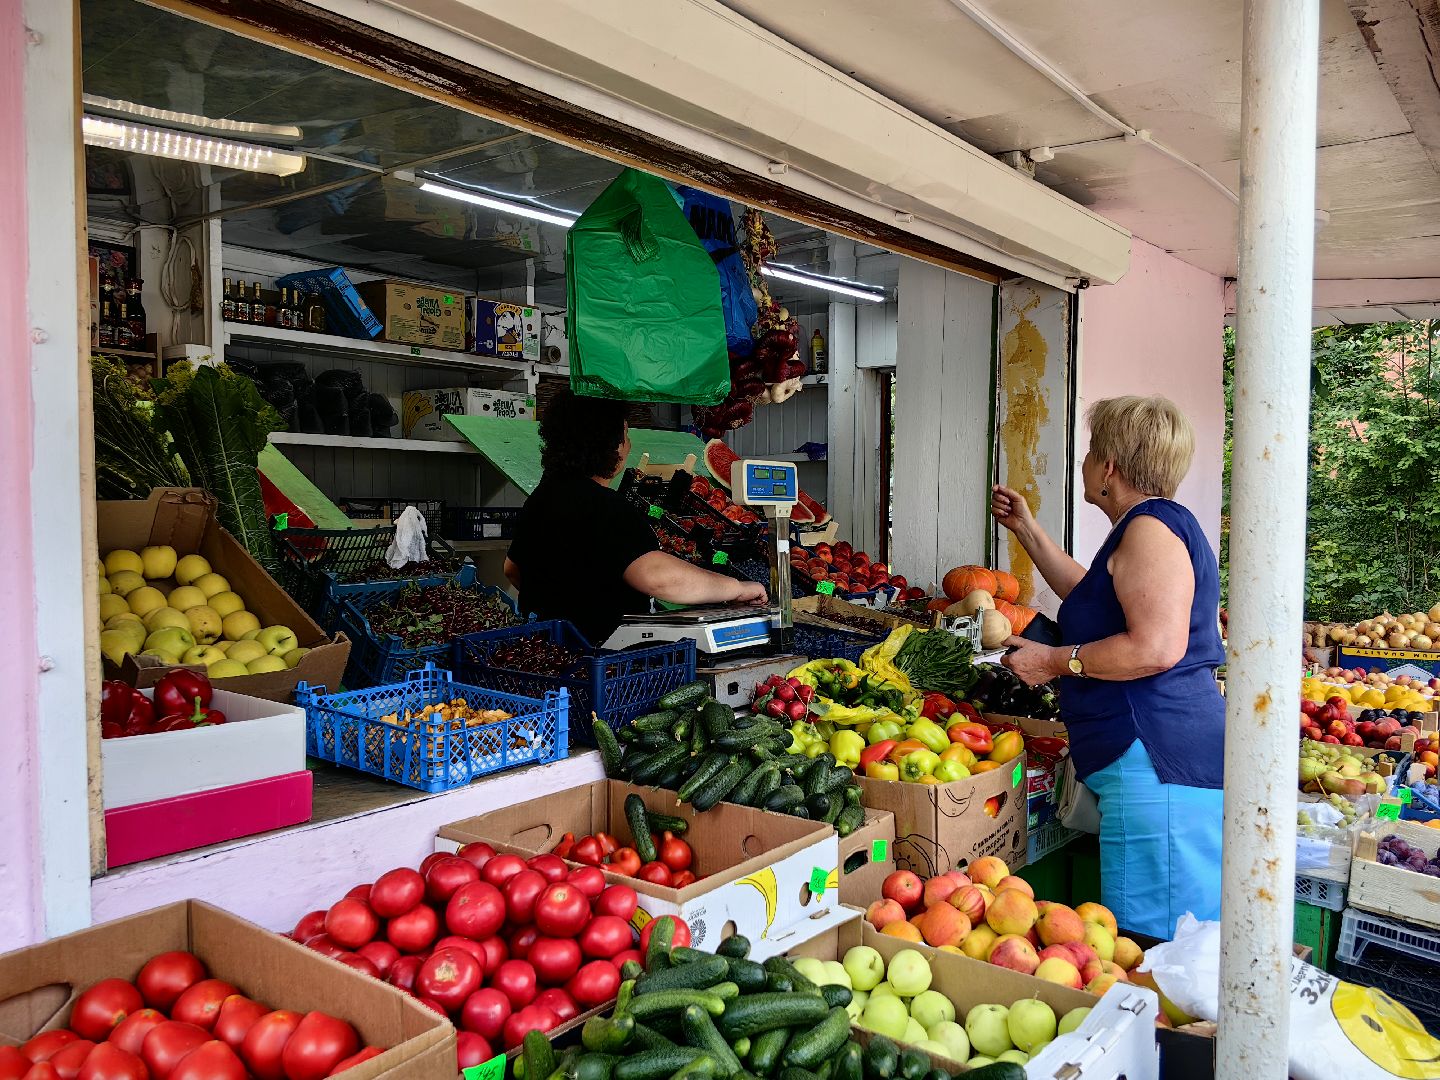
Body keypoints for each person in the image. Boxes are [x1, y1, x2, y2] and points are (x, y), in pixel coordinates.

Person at [992, 395, 1224, 939]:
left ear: (1110, 467)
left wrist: (1052, 661)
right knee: (1171, 944)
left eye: (1092, 449)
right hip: (1159, 762)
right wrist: (1027, 530)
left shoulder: (1150, 529)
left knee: (1158, 950)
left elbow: (1155, 648)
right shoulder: (1147, 528)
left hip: (1157, 762)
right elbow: (1088, 595)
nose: (1087, 461)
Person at [505, 389, 768, 646]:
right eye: (626, 434)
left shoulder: (541, 498)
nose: (628, 443)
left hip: (544, 652)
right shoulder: (609, 509)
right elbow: (659, 577)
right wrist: (736, 588)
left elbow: (512, 569)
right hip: (604, 663)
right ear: (612, 446)